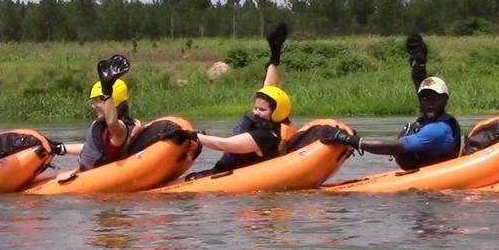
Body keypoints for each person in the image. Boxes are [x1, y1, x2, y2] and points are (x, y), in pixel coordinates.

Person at [323, 33, 460, 169]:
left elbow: (397, 147)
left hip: (434, 180)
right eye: (425, 98)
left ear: (445, 100)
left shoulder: (439, 129)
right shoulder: (431, 116)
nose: (429, 102)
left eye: (435, 98)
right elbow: (419, 82)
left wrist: (349, 140)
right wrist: (419, 62)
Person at [177, 24, 294, 175]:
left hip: (224, 174)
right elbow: (270, 87)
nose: (257, 112)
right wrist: (274, 56)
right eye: (256, 107)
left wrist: (193, 135)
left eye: (262, 110)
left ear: (276, 112)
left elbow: (224, 144)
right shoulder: (279, 121)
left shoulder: (265, 136)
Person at [54, 55, 137, 171]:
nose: (94, 106)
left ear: (111, 101)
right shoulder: (103, 128)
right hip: (86, 174)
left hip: (97, 180)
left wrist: (107, 92)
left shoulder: (120, 129)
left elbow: (112, 122)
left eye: (97, 102)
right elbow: (90, 148)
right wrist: (61, 148)